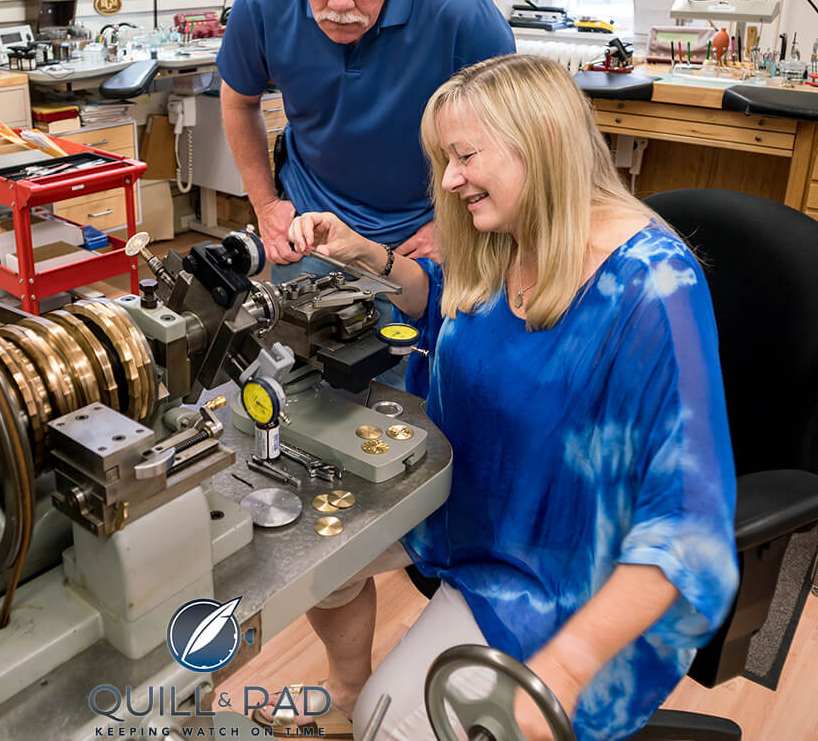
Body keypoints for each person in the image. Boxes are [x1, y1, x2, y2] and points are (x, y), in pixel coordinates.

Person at [266, 54, 739, 741]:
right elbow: (446, 304)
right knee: (314, 559)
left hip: (566, 574)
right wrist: (368, 254)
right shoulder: (506, 235)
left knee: (390, 725)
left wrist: (566, 668)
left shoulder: (652, 287)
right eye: (444, 159)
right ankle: (345, 687)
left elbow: (690, 531)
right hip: (472, 503)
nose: (450, 179)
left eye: (464, 156)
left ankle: (365, 707)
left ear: (538, 144)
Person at [217, 0, 514, 276]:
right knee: (301, 339)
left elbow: (512, 136)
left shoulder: (462, 13)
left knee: (428, 341)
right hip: (312, 227)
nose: (339, 3)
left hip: (424, 234)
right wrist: (265, 205)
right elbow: (238, 102)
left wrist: (456, 225)